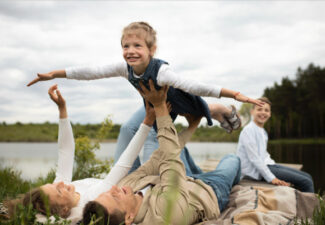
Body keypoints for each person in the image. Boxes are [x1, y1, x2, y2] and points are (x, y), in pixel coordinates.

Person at [27, 21, 263, 170]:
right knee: (126, 130)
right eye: (126, 46)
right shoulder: (124, 67)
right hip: (153, 102)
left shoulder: (162, 71)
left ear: (151, 50)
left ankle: (212, 109)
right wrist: (55, 73)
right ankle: (129, 176)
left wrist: (235, 94)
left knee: (156, 153)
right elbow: (92, 72)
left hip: (171, 105)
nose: (130, 51)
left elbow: (194, 85)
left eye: (137, 46)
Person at [82, 80, 241, 225]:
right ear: (129, 217)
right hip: (210, 190)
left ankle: (209, 110)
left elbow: (157, 160)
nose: (114, 188)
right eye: (115, 197)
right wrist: (161, 110)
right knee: (232, 160)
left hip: (189, 179)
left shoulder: (126, 187)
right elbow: (170, 160)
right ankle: (215, 110)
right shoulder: (163, 217)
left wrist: (193, 125)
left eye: (109, 192)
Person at [5, 84, 158, 224]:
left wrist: (62, 109)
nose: (60, 183)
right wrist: (147, 122)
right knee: (155, 139)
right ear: (65, 210)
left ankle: (161, 100)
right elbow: (123, 165)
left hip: (126, 182)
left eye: (52, 184)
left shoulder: (65, 186)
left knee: (128, 130)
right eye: (59, 190)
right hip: (130, 188)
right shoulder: (90, 200)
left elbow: (66, 150)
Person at [236, 97, 314, 192]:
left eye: (266, 110)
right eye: (259, 109)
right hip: (255, 172)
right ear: (252, 112)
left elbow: (264, 155)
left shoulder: (263, 131)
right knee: (306, 182)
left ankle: (302, 201)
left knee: (307, 176)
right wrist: (271, 178)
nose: (263, 112)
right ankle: (311, 206)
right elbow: (254, 158)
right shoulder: (248, 130)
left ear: (270, 114)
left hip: (268, 165)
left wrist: (276, 166)